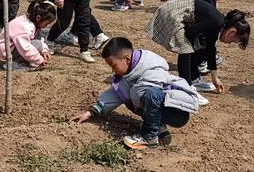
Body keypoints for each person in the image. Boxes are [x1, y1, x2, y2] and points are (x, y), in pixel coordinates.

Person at [71, 37, 199, 150]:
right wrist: (92, 112)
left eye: (113, 65)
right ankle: (158, 128)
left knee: (150, 93)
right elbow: (117, 93)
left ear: (126, 59)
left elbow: (141, 94)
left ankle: (149, 137)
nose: (112, 70)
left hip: (178, 114)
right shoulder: (129, 72)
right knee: (140, 94)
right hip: (163, 107)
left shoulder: (152, 68)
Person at [146, 0, 250, 94]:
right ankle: (186, 87)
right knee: (186, 49)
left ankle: (194, 79)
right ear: (232, 32)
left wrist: (215, 78)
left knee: (200, 47)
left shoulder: (218, 25)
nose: (229, 43)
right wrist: (194, 46)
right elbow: (191, 31)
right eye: (232, 41)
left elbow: (210, 50)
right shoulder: (216, 22)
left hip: (179, 14)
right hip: (172, 12)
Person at [0, 0, 55, 71]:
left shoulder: (33, 24)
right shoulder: (24, 27)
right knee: (34, 44)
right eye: (46, 23)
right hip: (7, 51)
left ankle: (20, 61)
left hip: (14, 48)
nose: (46, 26)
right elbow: (25, 49)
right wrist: (39, 60)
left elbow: (39, 41)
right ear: (38, 18)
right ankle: (14, 64)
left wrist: (44, 50)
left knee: (37, 43)